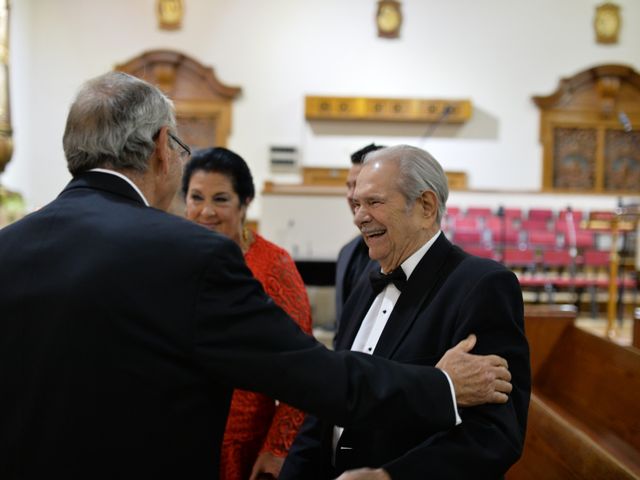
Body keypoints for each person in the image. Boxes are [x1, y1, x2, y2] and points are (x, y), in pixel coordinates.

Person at [0, 72, 513, 480]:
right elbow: (307, 372)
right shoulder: (188, 253)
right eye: (179, 147)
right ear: (161, 146)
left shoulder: (10, 246)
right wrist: (440, 386)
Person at [281, 145, 531, 480]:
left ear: (426, 206)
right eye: (356, 204)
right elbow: (332, 400)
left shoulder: (482, 285)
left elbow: (493, 433)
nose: (358, 216)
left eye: (374, 202)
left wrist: (390, 477)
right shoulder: (364, 287)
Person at [182, 147, 312, 480]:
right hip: (179, 433)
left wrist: (278, 448)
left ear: (245, 202)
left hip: (243, 447)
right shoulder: (173, 257)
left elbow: (303, 365)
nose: (206, 211)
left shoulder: (273, 264)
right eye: (196, 198)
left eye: (221, 199)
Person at [335, 143, 384, 327]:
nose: (351, 195)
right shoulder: (346, 252)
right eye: (348, 186)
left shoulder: (404, 253)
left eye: (358, 185)